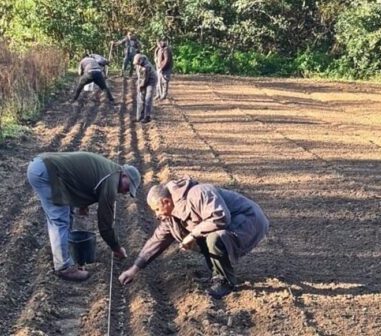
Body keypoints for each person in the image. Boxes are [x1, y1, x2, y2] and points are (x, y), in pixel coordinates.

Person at [118, 178, 269, 299]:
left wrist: (192, 234)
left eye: (157, 209)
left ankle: (225, 281)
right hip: (234, 225)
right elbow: (157, 241)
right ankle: (217, 274)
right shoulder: (171, 218)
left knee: (213, 237)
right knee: (204, 235)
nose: (157, 215)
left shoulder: (198, 193)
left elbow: (221, 218)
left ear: (166, 201)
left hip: (249, 222)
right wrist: (134, 269)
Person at [27, 152, 142, 282]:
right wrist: (116, 248)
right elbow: (105, 224)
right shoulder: (112, 180)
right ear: (124, 174)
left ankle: (64, 252)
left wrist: (83, 203)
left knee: (65, 213)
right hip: (47, 172)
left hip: (43, 166)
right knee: (59, 220)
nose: (125, 192)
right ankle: (63, 267)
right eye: (128, 187)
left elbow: (85, 179)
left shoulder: (110, 170)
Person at [134, 54, 157, 123]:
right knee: (140, 98)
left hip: (151, 81)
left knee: (148, 98)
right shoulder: (139, 63)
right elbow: (139, 76)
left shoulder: (147, 67)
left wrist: (140, 86)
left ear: (140, 61)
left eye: (138, 63)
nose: (137, 65)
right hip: (144, 79)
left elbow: (144, 80)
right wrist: (138, 83)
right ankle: (139, 117)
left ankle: (147, 117)